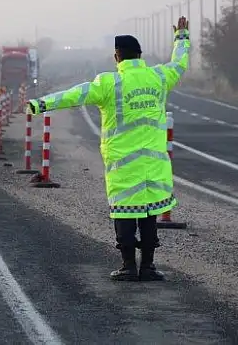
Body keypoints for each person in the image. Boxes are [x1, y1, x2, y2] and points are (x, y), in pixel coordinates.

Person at [27, 17, 190, 281]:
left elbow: (73, 95)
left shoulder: (109, 84)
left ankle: (128, 266)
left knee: (125, 216)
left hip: (124, 167)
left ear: (117, 57)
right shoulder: (159, 77)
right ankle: (148, 266)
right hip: (154, 166)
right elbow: (179, 64)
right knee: (149, 215)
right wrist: (181, 36)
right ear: (140, 56)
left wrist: (41, 104)